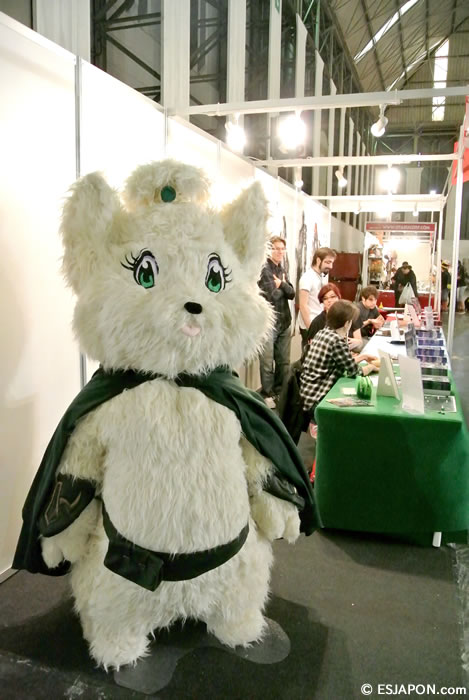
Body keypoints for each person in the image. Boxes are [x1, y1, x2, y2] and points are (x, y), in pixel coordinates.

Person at [300, 300, 378, 421]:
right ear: (347, 323)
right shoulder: (336, 341)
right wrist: (372, 367)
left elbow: (344, 362)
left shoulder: (322, 333)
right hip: (318, 400)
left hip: (308, 396)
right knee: (364, 407)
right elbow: (355, 372)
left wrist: (363, 357)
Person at [257, 236, 295, 408]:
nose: (279, 251)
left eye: (282, 249)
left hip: (284, 321)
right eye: (276, 248)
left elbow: (292, 293)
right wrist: (283, 287)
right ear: (269, 250)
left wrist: (283, 285)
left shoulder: (281, 268)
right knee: (267, 362)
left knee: (283, 362)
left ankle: (280, 392)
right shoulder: (264, 269)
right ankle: (268, 394)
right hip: (268, 324)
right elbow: (272, 295)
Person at [304, 283, 363, 350]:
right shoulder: (317, 322)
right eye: (325, 298)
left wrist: (356, 342)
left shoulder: (350, 314)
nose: (329, 300)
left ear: (339, 297)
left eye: (333, 297)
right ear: (322, 301)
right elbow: (313, 348)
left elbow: (360, 341)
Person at [298, 247, 337, 348]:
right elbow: (303, 305)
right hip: (311, 325)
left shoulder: (319, 276)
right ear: (318, 260)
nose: (331, 266)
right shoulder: (307, 278)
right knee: (309, 355)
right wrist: (311, 329)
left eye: (332, 263)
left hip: (319, 323)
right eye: (328, 262)